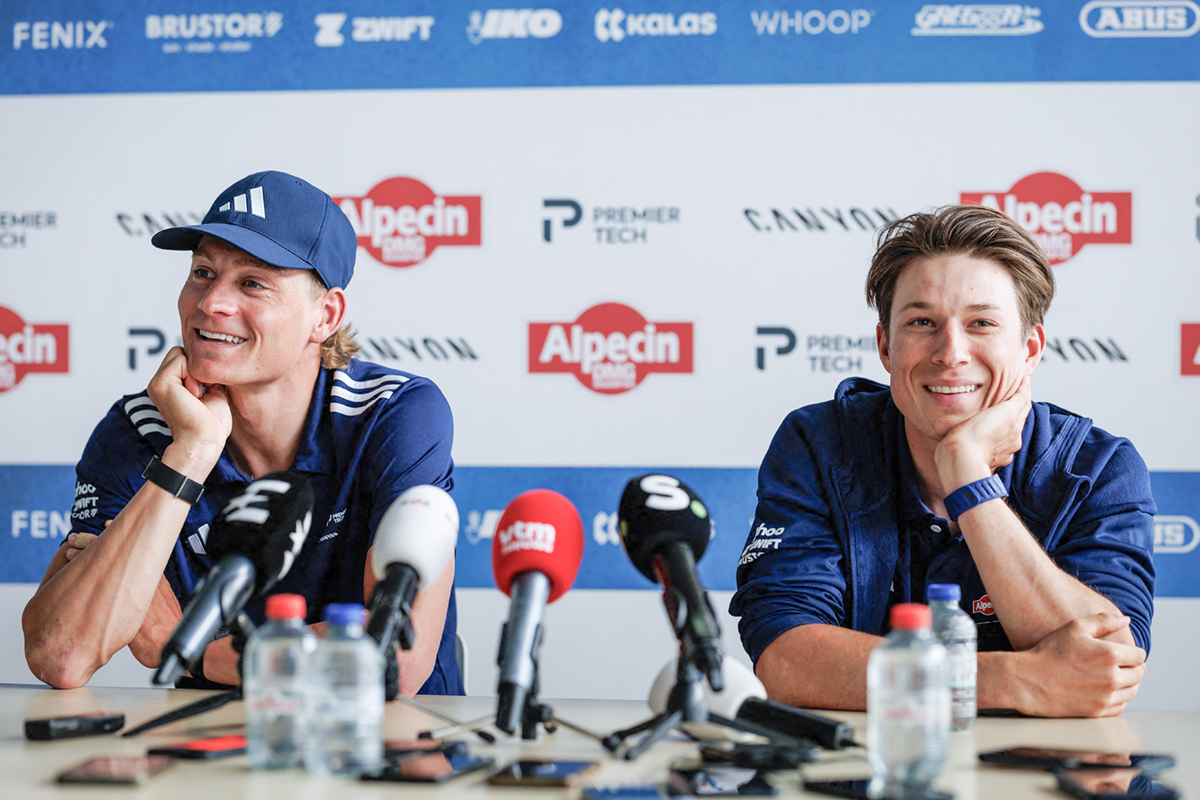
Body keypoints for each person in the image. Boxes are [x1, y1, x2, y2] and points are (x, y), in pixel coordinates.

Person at [23, 170, 462, 695]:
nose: (211, 303)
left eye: (252, 283)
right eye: (203, 272)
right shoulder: (136, 432)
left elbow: (392, 658)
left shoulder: (393, 413)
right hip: (209, 740)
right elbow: (61, 656)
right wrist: (190, 453)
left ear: (326, 316)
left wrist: (185, 649)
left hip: (388, 736)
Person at [730, 205, 1154, 718]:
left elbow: (1109, 663)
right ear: (885, 346)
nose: (950, 352)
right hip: (864, 761)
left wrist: (967, 475)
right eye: (922, 322)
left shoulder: (1099, 468)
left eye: (982, 323)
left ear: (1030, 349)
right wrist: (1007, 679)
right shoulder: (820, 443)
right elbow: (786, 660)